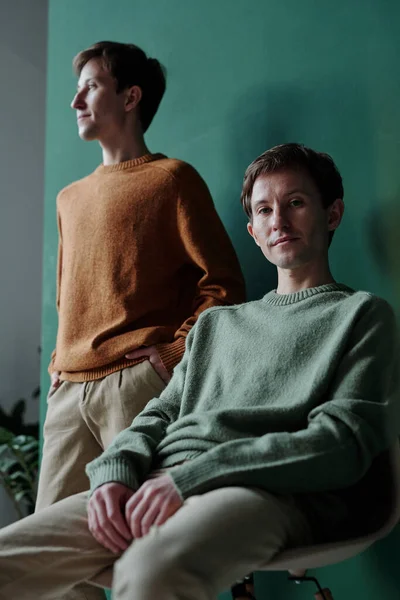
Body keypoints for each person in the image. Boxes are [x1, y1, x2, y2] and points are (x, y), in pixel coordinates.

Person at [0, 143, 398, 600]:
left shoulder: (363, 315)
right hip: (156, 482)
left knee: (151, 569)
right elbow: (157, 415)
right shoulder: (216, 324)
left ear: (332, 214)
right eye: (265, 210)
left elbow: (341, 443)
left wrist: (193, 478)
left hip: (264, 492)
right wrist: (114, 470)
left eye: (296, 203)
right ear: (253, 231)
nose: (279, 221)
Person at [37, 40, 245, 600]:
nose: (77, 98)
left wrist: (170, 356)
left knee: (146, 548)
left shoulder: (173, 180)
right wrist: (60, 359)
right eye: (77, 88)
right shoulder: (68, 198)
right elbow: (69, 295)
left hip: (137, 392)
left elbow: (223, 287)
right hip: (67, 393)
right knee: (57, 563)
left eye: (91, 86)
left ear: (130, 96)